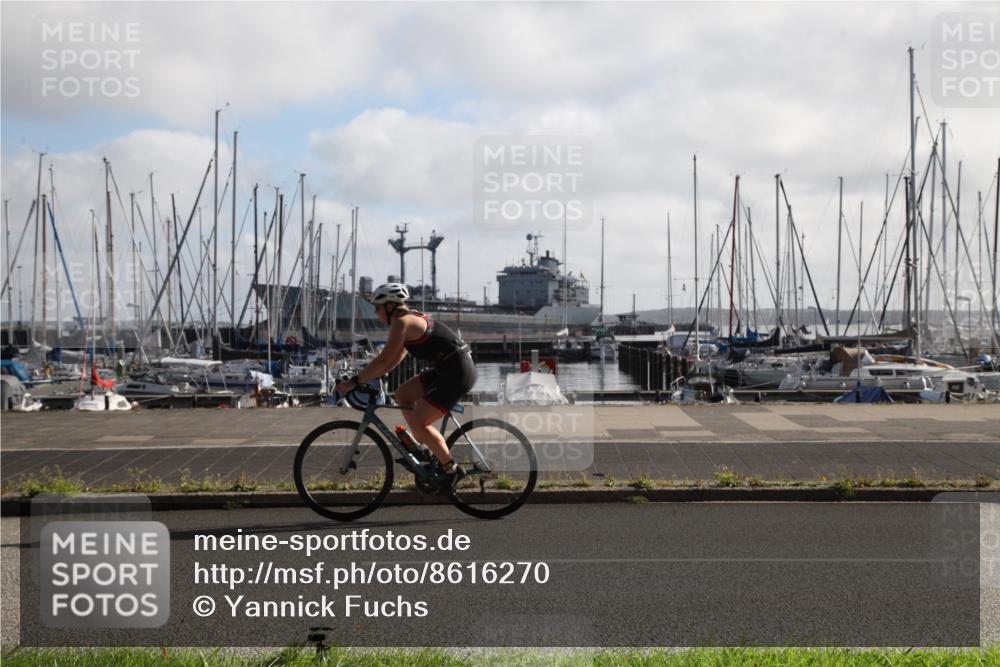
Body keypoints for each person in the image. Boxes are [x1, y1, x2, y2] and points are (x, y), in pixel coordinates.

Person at [335, 283, 476, 488]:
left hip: (457, 372)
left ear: (390, 306)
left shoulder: (402, 322)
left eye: (378, 308)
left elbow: (384, 360)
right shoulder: (407, 321)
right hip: (446, 369)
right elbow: (391, 361)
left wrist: (356, 381)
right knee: (403, 394)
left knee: (420, 422)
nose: (376, 313)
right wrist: (368, 378)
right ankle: (420, 447)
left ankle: (451, 469)